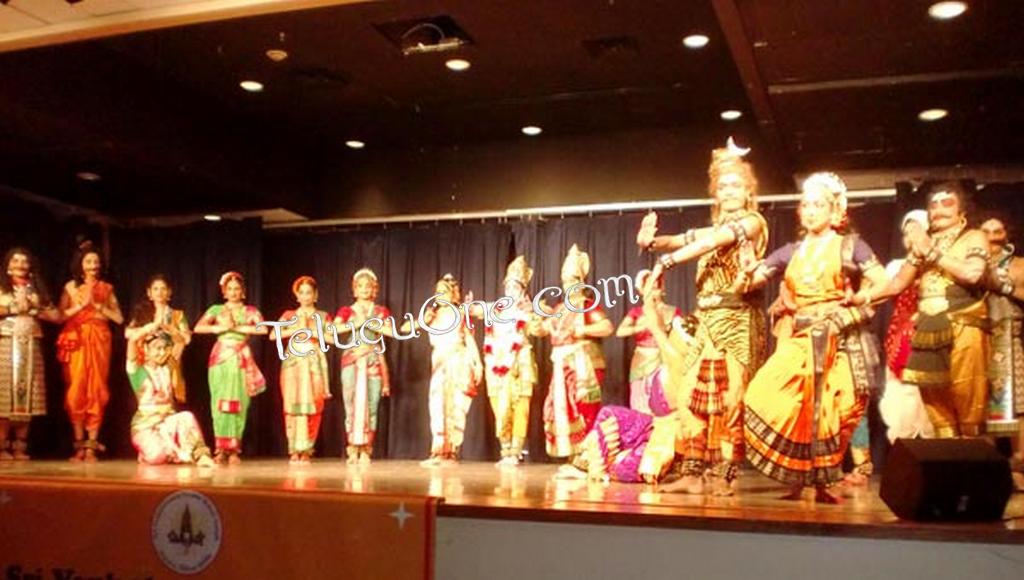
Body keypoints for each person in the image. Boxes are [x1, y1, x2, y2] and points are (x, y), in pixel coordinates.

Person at [742, 172, 888, 503]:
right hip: (800, 337)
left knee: (834, 408)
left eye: (818, 204)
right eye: (805, 204)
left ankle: (823, 482)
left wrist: (857, 303)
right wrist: (747, 270)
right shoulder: (790, 251)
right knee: (772, 395)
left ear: (836, 211)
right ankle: (796, 477)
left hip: (840, 337)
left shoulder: (851, 246)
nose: (810, 211)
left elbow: (881, 283)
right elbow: (753, 280)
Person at [639, 137, 768, 495]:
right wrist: (653, 242)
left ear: (748, 192)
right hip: (708, 320)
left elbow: (711, 242)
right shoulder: (711, 228)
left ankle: (727, 474)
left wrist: (665, 261)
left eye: (736, 185)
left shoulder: (753, 223)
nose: (728, 191)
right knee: (688, 395)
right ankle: (693, 472)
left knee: (731, 399)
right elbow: (684, 238)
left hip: (737, 318)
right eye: (722, 185)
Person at [874, 182, 989, 438]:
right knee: (938, 411)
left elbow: (972, 273)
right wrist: (861, 297)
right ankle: (947, 472)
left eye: (947, 203)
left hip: (964, 326)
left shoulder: (974, 236)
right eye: (933, 205)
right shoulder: (923, 244)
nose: (938, 209)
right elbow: (896, 284)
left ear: (963, 212)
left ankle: (974, 470)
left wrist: (931, 251)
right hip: (927, 330)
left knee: (968, 404)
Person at [534, 244, 613, 460]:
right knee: (562, 408)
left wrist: (581, 330)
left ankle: (587, 458)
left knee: (584, 406)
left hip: (584, 366)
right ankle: (572, 457)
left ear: (581, 282)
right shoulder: (559, 310)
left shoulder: (588, 306)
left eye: (573, 281)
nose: (569, 286)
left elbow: (607, 327)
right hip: (562, 367)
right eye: (566, 282)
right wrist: (536, 321)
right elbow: (543, 330)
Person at [465, 256, 539, 466]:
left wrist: (531, 312)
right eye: (508, 287)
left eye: (515, 287)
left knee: (520, 408)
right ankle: (505, 451)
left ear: (523, 290)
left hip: (521, 365)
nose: (510, 291)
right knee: (499, 407)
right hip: (496, 365)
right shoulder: (494, 309)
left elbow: (539, 330)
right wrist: (468, 305)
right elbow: (473, 311)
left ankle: (515, 453)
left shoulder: (528, 310)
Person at [404, 274, 482, 467]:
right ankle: (438, 451)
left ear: (453, 295)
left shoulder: (461, 314)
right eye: (437, 292)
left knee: (456, 406)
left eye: (444, 292)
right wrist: (422, 321)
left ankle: (452, 451)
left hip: (458, 361)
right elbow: (404, 328)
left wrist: (478, 363)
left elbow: (470, 340)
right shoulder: (431, 314)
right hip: (439, 363)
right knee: (437, 405)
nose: (439, 295)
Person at [57, 240, 124, 462]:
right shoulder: (70, 287)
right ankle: (78, 445)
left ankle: (91, 447)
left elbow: (119, 318)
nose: (93, 265)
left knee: (96, 389)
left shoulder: (107, 288)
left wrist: (98, 307)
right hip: (77, 340)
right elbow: (59, 315)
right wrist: (79, 306)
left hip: (99, 340)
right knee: (76, 389)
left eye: (96, 261)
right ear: (81, 264)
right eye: (89, 261)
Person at [194, 271, 267, 465]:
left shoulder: (250, 311)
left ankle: (234, 448)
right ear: (224, 292)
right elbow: (198, 327)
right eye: (230, 289)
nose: (233, 292)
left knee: (238, 404)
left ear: (243, 292)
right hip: (221, 359)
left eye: (237, 289)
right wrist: (219, 329)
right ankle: (220, 448)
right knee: (219, 403)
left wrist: (238, 328)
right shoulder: (216, 310)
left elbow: (263, 329)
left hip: (240, 359)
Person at [877, 211, 934, 443]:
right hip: (902, 336)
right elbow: (890, 288)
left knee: (930, 396)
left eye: (916, 229)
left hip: (933, 332)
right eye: (907, 231)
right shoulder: (896, 267)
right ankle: (904, 447)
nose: (911, 235)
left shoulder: (939, 261)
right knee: (901, 394)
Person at [0, 247, 60, 460]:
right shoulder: (2, 289)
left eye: (24, 261)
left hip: (30, 346)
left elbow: (56, 316)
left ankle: (20, 446)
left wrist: (35, 309)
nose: (20, 265)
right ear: (8, 266)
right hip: (6, 344)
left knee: (29, 397)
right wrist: (15, 308)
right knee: (5, 397)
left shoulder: (37, 289)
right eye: (15, 261)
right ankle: (2, 446)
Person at [127, 332, 214, 467]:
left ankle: (201, 455)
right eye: (157, 348)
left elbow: (181, 341)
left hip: (167, 422)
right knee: (157, 457)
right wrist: (153, 327)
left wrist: (166, 327)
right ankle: (155, 451)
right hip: (144, 426)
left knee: (187, 417)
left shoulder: (168, 367)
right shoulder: (136, 372)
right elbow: (132, 339)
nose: (162, 352)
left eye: (165, 348)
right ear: (146, 349)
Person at [335, 268, 393, 465]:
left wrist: (371, 324)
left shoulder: (380, 311)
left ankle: (367, 449)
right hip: (352, 359)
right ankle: (352, 448)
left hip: (372, 359)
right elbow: (333, 330)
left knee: (371, 405)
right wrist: (356, 323)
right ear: (354, 290)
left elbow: (391, 331)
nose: (364, 289)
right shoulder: (346, 311)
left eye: (368, 286)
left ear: (374, 289)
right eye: (360, 286)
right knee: (350, 403)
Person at [276, 276, 331, 465]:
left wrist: (313, 333)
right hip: (293, 364)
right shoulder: (288, 316)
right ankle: (293, 449)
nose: (306, 296)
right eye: (302, 293)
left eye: (309, 292)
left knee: (314, 405)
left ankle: (307, 449)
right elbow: (273, 334)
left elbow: (332, 339)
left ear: (315, 295)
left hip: (314, 362)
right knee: (292, 406)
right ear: (297, 296)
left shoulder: (323, 316)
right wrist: (295, 330)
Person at [615, 270, 683, 415]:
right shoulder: (637, 312)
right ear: (641, 290)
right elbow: (620, 331)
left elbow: (681, 333)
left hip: (666, 358)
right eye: (649, 288)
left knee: (666, 396)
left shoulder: (673, 311)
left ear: (662, 289)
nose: (653, 292)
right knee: (641, 399)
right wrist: (643, 326)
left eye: (656, 288)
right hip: (643, 361)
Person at [124, 274, 191, 404]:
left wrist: (171, 331)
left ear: (169, 292)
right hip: (147, 357)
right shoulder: (142, 311)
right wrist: (150, 330)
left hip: (170, 357)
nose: (159, 292)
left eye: (163, 289)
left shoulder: (177, 315)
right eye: (155, 289)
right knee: (148, 391)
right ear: (149, 292)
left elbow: (186, 339)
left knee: (168, 393)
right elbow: (128, 333)